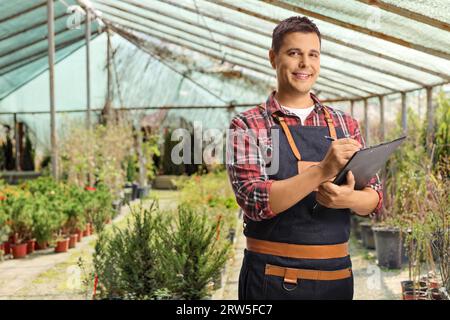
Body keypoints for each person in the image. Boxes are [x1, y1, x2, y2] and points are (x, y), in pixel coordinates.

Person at [226, 16, 383, 300]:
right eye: (294, 53)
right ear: (273, 58)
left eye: (313, 54)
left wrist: (346, 200)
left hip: (336, 278)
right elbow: (254, 201)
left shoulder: (345, 124)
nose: (304, 64)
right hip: (270, 277)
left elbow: (375, 196)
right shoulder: (248, 125)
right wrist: (323, 169)